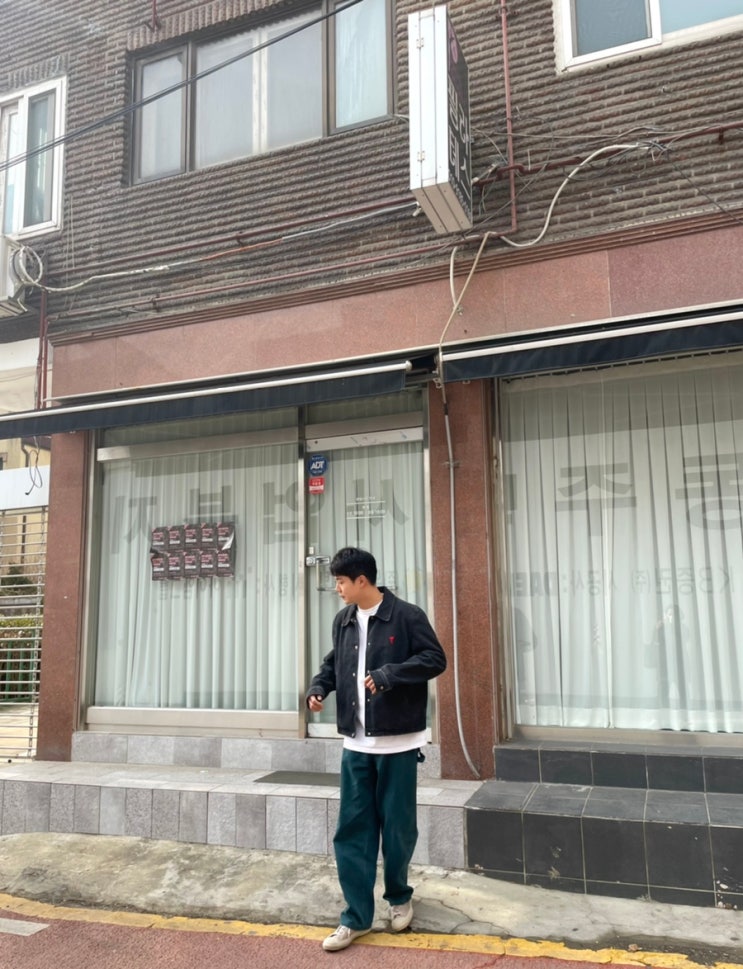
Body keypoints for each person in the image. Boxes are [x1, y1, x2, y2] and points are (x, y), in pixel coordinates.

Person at [306, 546, 447, 952]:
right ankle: (356, 917)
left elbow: (435, 659)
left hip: (398, 742)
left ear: (361, 580)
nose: (337, 589)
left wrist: (390, 674)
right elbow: (334, 664)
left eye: (340, 582)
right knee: (352, 829)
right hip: (356, 743)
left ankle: (399, 895)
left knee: (398, 829)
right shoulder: (344, 620)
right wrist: (319, 688)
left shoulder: (407, 616)